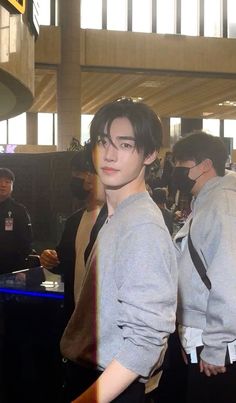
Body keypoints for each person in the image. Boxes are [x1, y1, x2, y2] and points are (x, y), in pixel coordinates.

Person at [60, 98, 178, 403]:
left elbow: (145, 341)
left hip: (113, 385)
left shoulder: (141, 226)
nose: (109, 155)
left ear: (150, 154)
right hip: (97, 376)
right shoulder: (118, 215)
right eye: (103, 142)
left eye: (126, 145)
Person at [172, 131, 236, 403]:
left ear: (205, 165)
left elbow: (229, 279)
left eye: (180, 166)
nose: (175, 173)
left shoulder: (222, 204)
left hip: (217, 346)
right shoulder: (207, 201)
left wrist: (214, 345)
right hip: (203, 336)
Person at [40, 145, 106, 323]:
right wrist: (50, 259)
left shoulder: (113, 220)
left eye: (82, 173)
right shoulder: (74, 221)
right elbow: (64, 263)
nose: (78, 180)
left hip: (102, 320)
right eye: (75, 174)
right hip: (74, 313)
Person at [0, 167, 33, 274]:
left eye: (7, 182)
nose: (3, 185)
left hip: (11, 269)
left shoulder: (19, 210)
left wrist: (21, 270)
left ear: (12, 186)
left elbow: (26, 242)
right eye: (0, 181)